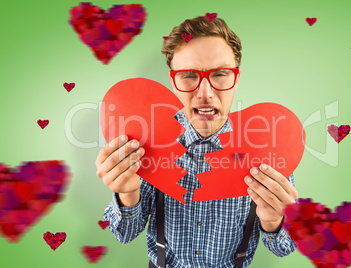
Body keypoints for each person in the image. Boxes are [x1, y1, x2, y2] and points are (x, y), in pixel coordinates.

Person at [96, 15, 298, 268]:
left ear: (237, 78)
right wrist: (127, 193)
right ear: (173, 81)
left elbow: (282, 249)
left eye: (221, 74)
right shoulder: (146, 141)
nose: (205, 93)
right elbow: (124, 234)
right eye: (189, 75)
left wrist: (273, 222)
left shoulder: (267, 147)